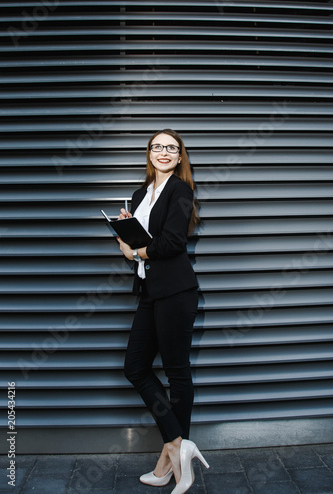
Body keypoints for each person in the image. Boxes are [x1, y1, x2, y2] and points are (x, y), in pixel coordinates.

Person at [116, 128, 209, 494]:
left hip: (175, 292)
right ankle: (176, 447)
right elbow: (148, 237)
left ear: (180, 155)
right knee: (135, 367)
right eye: (158, 147)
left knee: (176, 373)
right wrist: (127, 230)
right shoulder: (140, 193)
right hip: (150, 291)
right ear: (149, 153)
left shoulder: (181, 190)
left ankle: (169, 461)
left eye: (172, 147)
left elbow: (171, 242)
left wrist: (135, 252)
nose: (164, 152)